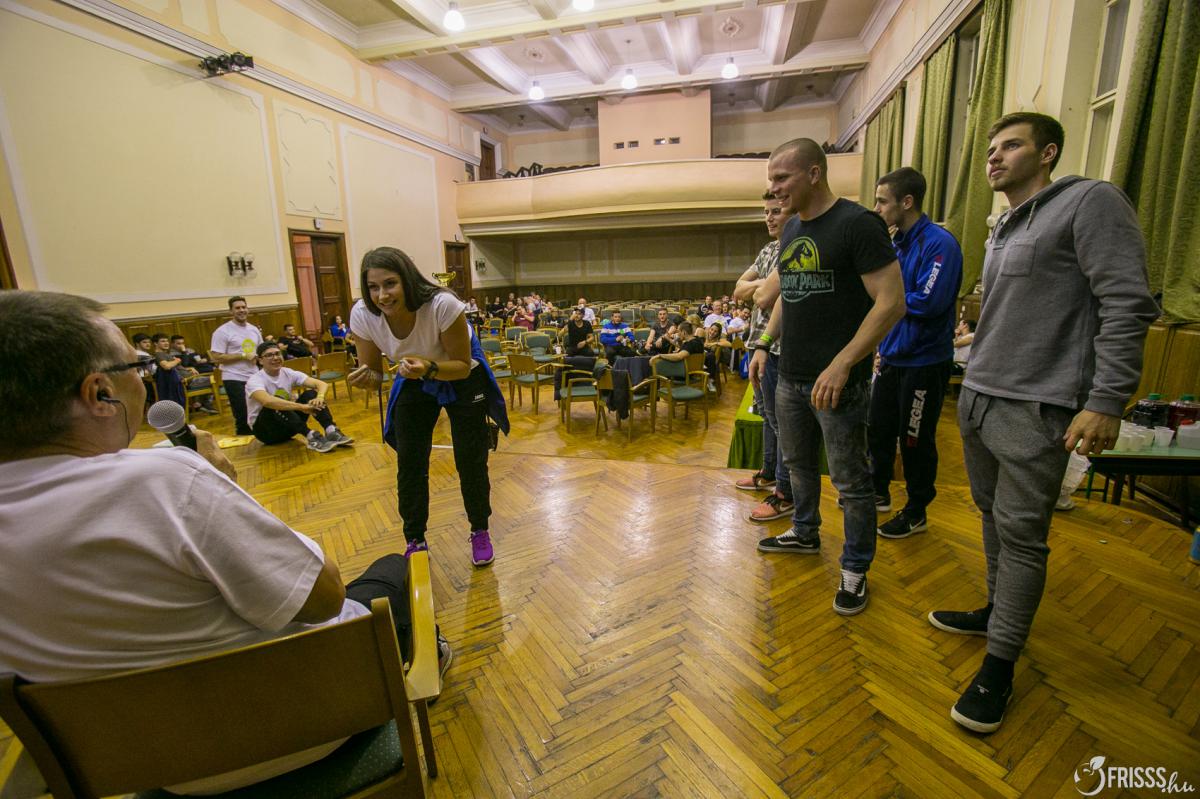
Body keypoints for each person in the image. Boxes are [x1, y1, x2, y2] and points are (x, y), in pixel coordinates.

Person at [0, 290, 451, 794]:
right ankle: (429, 656)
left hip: (150, 768)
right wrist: (217, 484)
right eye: (137, 366)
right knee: (394, 570)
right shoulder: (165, 482)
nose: (145, 381)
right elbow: (323, 598)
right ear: (98, 393)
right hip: (312, 727)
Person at [927, 112, 1157, 733]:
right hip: (980, 395)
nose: (994, 158)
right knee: (990, 516)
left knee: (1023, 534)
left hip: (1037, 405)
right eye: (991, 149)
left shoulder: (1089, 202)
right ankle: (996, 609)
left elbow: (1127, 303)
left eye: (1011, 146)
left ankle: (1000, 667)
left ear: (1048, 152)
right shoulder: (1005, 224)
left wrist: (1107, 400)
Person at [749, 137, 906, 616]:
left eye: (782, 178)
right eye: (771, 179)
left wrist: (844, 362)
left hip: (839, 382)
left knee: (851, 482)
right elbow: (788, 294)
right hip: (790, 376)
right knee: (797, 466)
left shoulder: (858, 224)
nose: (774, 189)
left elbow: (891, 303)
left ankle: (855, 567)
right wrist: (764, 343)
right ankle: (804, 530)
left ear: (814, 173)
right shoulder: (793, 228)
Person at [347, 247, 509, 568]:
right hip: (414, 375)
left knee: (470, 458)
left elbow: (460, 366)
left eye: (390, 284)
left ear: (407, 280)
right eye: (373, 287)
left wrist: (429, 367)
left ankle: (480, 530)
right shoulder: (363, 314)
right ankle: (415, 539)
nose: (382, 295)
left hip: (460, 372)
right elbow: (375, 372)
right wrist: (367, 378)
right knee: (410, 460)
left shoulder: (442, 304)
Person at [868, 167, 964, 540]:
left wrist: (887, 299)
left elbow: (928, 301)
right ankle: (878, 491)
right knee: (878, 430)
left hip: (924, 361)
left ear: (906, 202)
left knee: (914, 440)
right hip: (893, 358)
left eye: (882, 201)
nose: (877, 209)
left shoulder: (939, 243)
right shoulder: (896, 243)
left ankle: (916, 510)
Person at [733, 191, 796, 523]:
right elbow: (739, 290)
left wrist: (757, 288)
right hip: (756, 343)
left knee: (781, 422)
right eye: (766, 212)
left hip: (778, 347)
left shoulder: (794, 247)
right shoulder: (768, 250)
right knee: (767, 418)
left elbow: (761, 298)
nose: (769, 218)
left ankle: (785, 491)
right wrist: (762, 285)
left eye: (776, 211)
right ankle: (769, 472)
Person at [246, 342, 353, 452]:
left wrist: (320, 398)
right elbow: (267, 401)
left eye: (277, 353)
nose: (275, 358)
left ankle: (331, 430)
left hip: (289, 427)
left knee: (311, 394)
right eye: (269, 355)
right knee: (276, 403)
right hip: (266, 433)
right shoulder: (255, 380)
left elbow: (321, 384)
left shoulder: (288, 373)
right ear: (260, 360)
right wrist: (302, 407)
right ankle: (311, 437)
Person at [209, 296, 263, 436]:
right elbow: (216, 357)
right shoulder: (222, 331)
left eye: (244, 307)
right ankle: (244, 440)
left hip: (254, 376)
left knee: (259, 410)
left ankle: (261, 437)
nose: (241, 310)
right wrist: (243, 355)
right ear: (231, 311)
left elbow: (260, 350)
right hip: (233, 377)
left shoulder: (254, 330)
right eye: (237, 308)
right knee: (242, 414)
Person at [151, 332, 187, 409]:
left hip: (188, 378)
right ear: (155, 343)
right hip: (186, 381)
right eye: (163, 341)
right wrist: (177, 360)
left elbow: (176, 368)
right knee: (212, 379)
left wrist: (189, 369)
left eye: (167, 341)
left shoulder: (165, 354)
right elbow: (166, 366)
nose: (166, 343)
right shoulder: (159, 354)